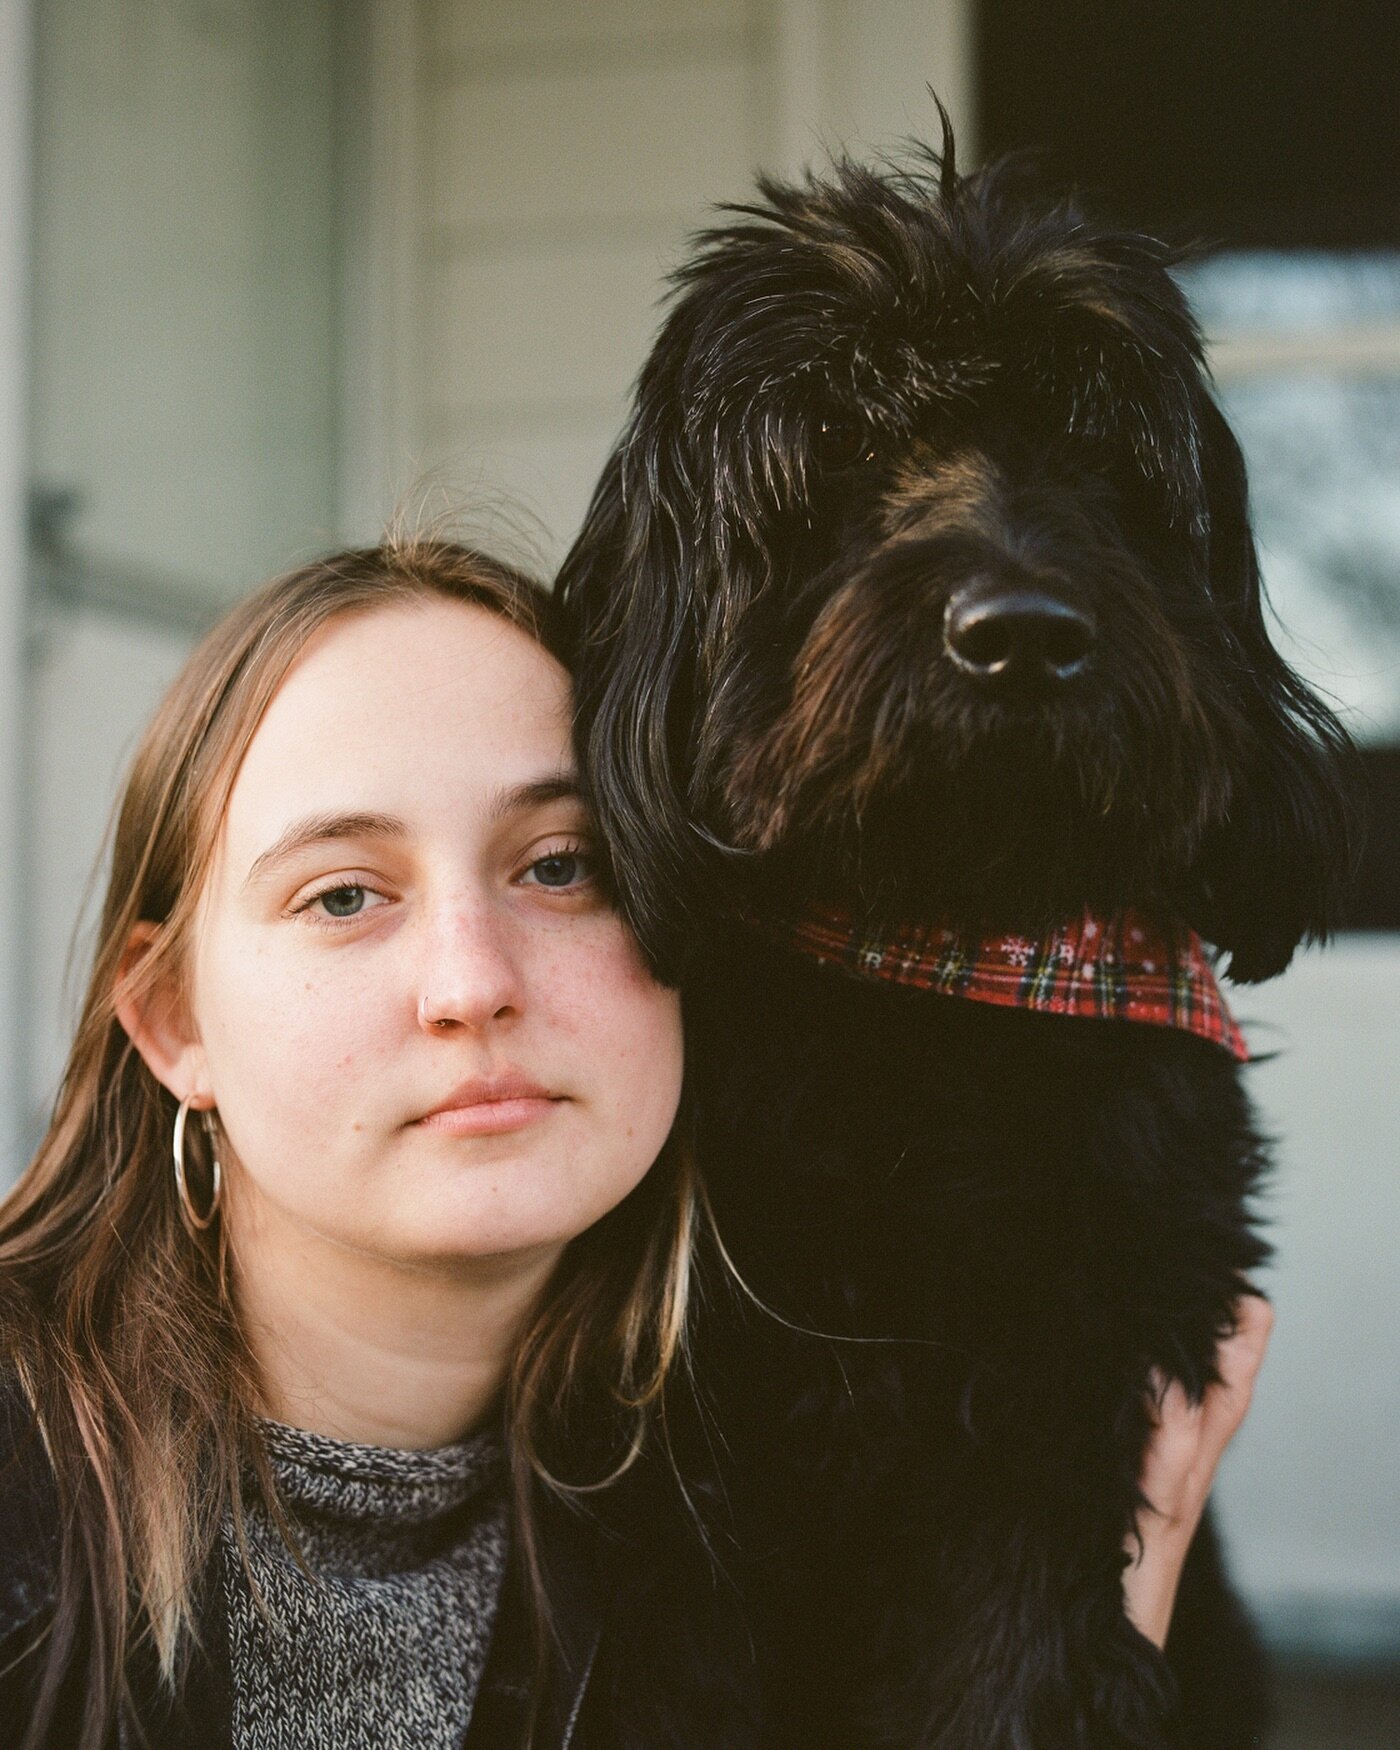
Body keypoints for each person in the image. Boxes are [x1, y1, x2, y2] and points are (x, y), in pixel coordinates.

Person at [0, 536, 1272, 1750]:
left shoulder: (736, 1508)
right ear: (172, 1020)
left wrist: (1082, 1642)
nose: (471, 981)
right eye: (344, 893)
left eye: (560, 866)